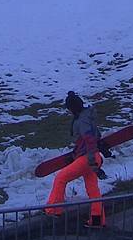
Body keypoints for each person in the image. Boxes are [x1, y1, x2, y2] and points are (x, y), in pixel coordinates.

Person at [45, 91, 106, 227]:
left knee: (61, 178)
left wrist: (90, 161)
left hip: (88, 158)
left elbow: (89, 140)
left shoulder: (82, 121)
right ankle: (97, 219)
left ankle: (54, 210)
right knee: (93, 189)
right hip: (93, 156)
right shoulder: (87, 116)